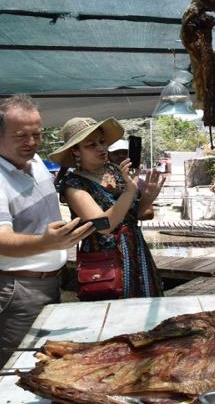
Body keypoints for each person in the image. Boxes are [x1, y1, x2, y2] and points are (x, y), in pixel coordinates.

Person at [0, 95, 94, 372]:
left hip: (44, 281)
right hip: (16, 288)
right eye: (21, 136)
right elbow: (0, 241)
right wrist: (47, 242)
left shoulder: (33, 160)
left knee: (46, 364)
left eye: (37, 134)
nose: (32, 143)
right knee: (19, 368)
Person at [49, 117, 166, 299]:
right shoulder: (73, 184)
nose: (101, 148)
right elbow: (104, 226)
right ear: (76, 151)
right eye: (91, 145)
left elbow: (134, 214)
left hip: (136, 252)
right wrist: (129, 191)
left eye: (102, 142)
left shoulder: (116, 171)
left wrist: (149, 196)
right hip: (104, 261)